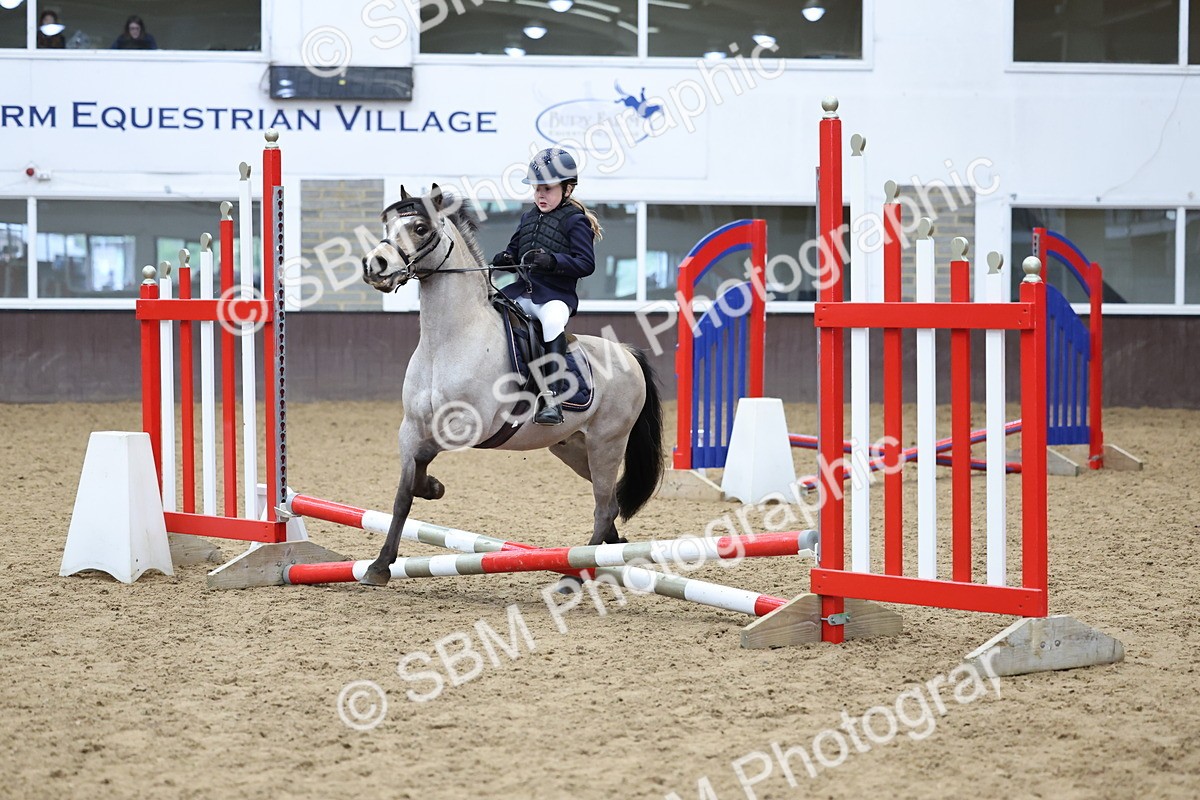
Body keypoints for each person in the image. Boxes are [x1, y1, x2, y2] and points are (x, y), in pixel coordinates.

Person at [491, 147, 602, 425]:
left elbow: (586, 264)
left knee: (552, 322)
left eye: (548, 189)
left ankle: (551, 397)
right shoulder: (528, 218)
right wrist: (504, 260)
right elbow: (513, 252)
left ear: (567, 189)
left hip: (555, 297)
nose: (540, 194)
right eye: (536, 188)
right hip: (522, 292)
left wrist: (553, 261)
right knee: (489, 309)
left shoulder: (575, 221)